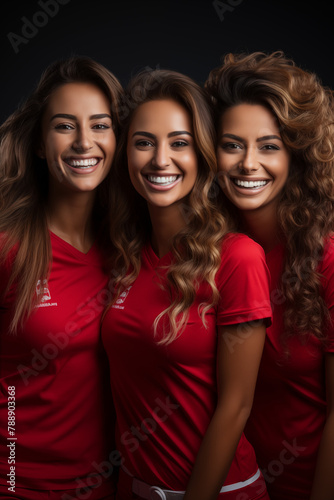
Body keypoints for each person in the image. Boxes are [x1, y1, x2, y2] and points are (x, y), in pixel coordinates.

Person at [101, 68, 272, 500]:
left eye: (180, 143)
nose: (161, 159)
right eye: (144, 142)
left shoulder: (238, 258)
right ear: (126, 154)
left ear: (203, 156)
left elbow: (236, 407)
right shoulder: (125, 257)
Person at [205, 51, 334, 500]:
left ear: (296, 156)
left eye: (268, 146)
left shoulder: (326, 257)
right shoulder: (207, 251)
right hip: (234, 486)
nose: (247, 164)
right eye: (232, 144)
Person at [0, 56, 123, 500]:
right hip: (17, 484)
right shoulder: (9, 247)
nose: (84, 142)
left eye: (100, 125)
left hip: (113, 488)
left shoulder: (134, 248)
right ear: (38, 141)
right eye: (65, 126)